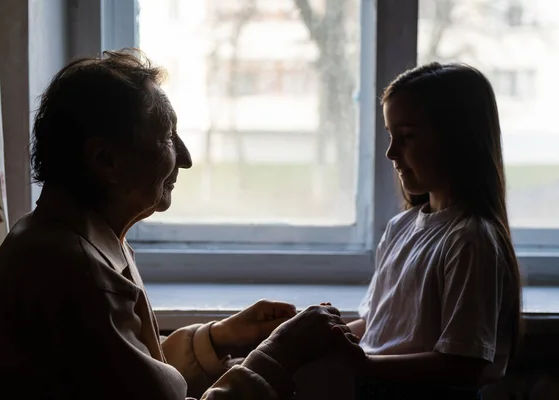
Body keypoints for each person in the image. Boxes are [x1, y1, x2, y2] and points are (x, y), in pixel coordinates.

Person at [0, 49, 362, 399]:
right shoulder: (79, 275)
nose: (185, 159)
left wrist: (218, 337)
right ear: (106, 160)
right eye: (168, 137)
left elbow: (131, 379)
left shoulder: (70, 241)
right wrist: (279, 354)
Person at [344, 62, 522, 399]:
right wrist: (324, 338)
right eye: (390, 135)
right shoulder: (401, 228)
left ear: (458, 139)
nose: (391, 153)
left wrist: (360, 365)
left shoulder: (470, 241)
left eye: (408, 137)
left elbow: (462, 364)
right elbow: (379, 326)